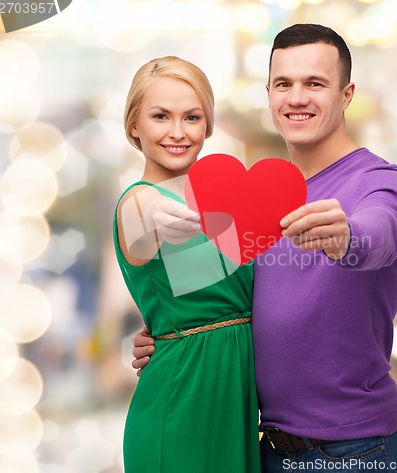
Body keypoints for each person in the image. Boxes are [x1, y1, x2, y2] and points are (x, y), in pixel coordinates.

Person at [133, 24, 397, 472]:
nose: (297, 97)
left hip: (357, 450)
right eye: (284, 84)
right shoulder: (260, 198)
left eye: (315, 84)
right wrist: (168, 333)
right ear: (268, 93)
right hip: (264, 448)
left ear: (347, 95)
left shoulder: (380, 183)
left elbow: (380, 233)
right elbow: (221, 295)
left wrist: (347, 237)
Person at [114, 56, 260, 473]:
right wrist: (156, 220)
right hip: (182, 405)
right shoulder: (139, 200)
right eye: (160, 116)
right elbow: (141, 223)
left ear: (208, 125)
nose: (178, 132)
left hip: (234, 403)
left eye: (192, 117)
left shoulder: (230, 204)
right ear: (134, 125)